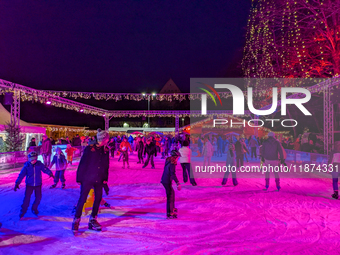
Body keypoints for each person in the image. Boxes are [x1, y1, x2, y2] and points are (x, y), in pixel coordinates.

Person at [72, 128, 110, 232]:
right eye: (106, 139)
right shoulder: (90, 148)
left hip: (99, 178)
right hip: (87, 178)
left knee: (98, 198)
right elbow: (83, 163)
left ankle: (93, 219)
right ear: (102, 139)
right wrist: (79, 178)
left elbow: (106, 165)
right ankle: (76, 220)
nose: (107, 141)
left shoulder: (106, 150)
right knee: (83, 199)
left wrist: (105, 178)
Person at [14, 152, 54, 219]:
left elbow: (45, 169)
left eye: (35, 159)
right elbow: (21, 175)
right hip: (29, 185)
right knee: (27, 198)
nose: (34, 161)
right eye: (32, 159)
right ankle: (23, 210)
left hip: (38, 184)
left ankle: (34, 208)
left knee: (38, 198)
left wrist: (50, 173)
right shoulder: (27, 166)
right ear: (29, 159)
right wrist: (17, 183)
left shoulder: (39, 164)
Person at [161, 150, 182, 219]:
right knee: (169, 196)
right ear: (175, 157)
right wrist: (178, 183)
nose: (178, 158)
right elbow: (172, 174)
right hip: (166, 181)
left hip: (165, 180)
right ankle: (169, 213)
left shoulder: (169, 161)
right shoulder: (172, 163)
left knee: (172, 193)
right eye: (178, 157)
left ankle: (172, 208)